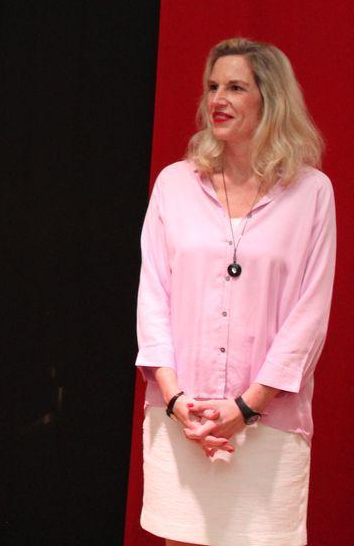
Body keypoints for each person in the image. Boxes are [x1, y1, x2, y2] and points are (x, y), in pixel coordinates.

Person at [135, 37, 335, 546]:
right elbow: (153, 297)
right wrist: (176, 399)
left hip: (267, 426)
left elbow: (310, 315)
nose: (217, 99)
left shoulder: (312, 192)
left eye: (235, 87)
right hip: (184, 420)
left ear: (271, 99)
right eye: (212, 87)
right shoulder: (174, 184)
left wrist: (246, 408)